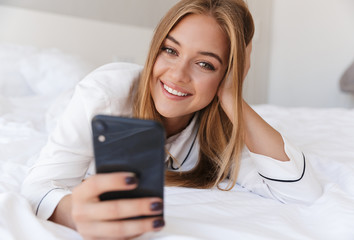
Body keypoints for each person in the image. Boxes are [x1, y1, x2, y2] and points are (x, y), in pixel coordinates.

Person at [21, 0, 323, 239]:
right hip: (61, 112)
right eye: (170, 50)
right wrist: (76, 214)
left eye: (205, 64)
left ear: (228, 74)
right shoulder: (104, 95)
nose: (177, 75)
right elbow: (39, 185)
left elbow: (301, 191)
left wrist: (232, 97)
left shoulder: (219, 128)